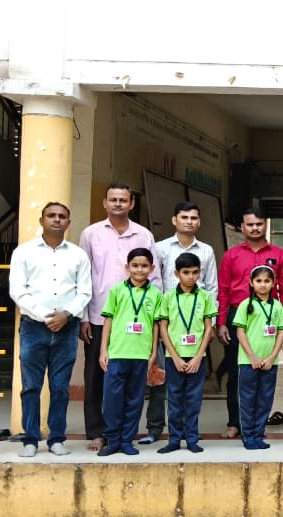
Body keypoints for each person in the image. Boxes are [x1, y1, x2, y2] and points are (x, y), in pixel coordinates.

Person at [79, 183, 161, 451]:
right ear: (105, 203)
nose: (118, 204)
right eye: (113, 199)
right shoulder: (90, 234)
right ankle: (97, 432)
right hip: (99, 316)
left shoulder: (144, 235)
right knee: (96, 377)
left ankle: (125, 434)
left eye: (123, 200)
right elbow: (83, 276)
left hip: (137, 323)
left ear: (131, 204)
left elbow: (156, 278)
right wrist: (84, 317)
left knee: (133, 382)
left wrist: (155, 317)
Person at [8, 202, 92, 458]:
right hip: (34, 327)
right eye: (51, 215)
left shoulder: (78, 255)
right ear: (41, 220)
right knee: (31, 386)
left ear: (68, 222)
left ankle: (57, 438)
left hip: (67, 328)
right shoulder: (24, 253)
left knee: (60, 388)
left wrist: (66, 315)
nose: (57, 220)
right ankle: (30, 439)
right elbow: (18, 290)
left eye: (62, 216)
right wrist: (46, 317)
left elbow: (85, 291)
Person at [217, 208, 283, 439]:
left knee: (264, 374)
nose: (255, 228)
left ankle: (258, 425)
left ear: (265, 225)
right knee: (237, 372)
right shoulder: (231, 255)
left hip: (269, 316)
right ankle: (235, 422)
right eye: (250, 224)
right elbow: (223, 290)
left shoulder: (279, 254)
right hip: (238, 316)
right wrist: (221, 322)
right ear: (242, 227)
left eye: (259, 224)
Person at [147, 201, 218, 445]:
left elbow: (212, 286)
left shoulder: (206, 251)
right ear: (174, 220)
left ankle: (191, 434)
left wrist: (211, 324)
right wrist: (157, 323)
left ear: (199, 222)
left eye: (193, 218)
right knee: (161, 381)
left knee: (192, 389)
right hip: (167, 322)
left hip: (197, 325)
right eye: (184, 217)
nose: (189, 221)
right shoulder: (160, 248)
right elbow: (153, 283)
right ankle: (159, 429)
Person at [98, 248, 163, 456]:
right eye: (135, 265)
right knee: (112, 399)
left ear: (152, 268)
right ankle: (113, 440)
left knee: (135, 399)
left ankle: (127, 440)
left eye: (144, 266)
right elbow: (108, 321)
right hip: (117, 353)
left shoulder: (156, 294)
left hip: (141, 355)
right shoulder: (117, 291)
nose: (139, 270)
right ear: (127, 267)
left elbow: (156, 325)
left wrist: (153, 352)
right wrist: (103, 350)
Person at [155, 252, 215, 454]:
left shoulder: (205, 297)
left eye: (195, 272)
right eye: (186, 272)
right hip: (174, 357)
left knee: (193, 399)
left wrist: (198, 356)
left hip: (198, 357)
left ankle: (192, 438)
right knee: (174, 399)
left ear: (200, 273)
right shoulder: (168, 297)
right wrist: (175, 356)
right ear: (176, 274)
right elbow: (163, 328)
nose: (191, 276)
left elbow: (208, 329)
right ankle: (174, 439)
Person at [233, 265, 283, 450]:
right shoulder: (245, 305)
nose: (263, 285)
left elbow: (280, 333)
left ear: (273, 283)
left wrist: (272, 357)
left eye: (267, 281)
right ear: (251, 282)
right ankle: (248, 436)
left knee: (265, 399)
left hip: (270, 362)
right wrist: (252, 357)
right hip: (248, 362)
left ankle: (258, 433)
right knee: (248, 400)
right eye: (258, 281)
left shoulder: (277, 306)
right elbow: (240, 332)